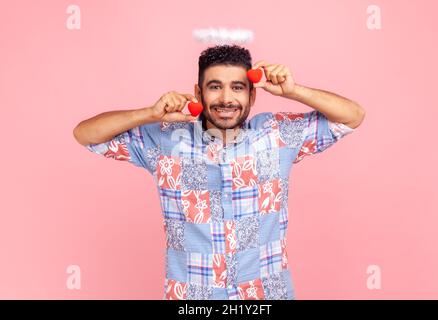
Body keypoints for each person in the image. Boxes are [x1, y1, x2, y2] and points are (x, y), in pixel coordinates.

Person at [73, 44, 365, 300]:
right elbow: (86, 134)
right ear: (199, 92)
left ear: (252, 95)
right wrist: (149, 113)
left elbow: (352, 116)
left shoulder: (278, 134)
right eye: (215, 86)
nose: (226, 98)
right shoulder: (164, 140)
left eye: (237, 87)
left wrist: (293, 90)